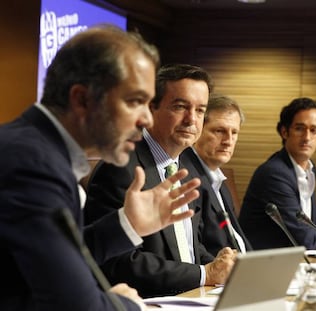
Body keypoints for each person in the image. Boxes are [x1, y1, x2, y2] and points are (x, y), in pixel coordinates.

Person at [0, 26, 203, 311]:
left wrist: (127, 224)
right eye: (135, 101)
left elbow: (59, 256)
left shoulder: (37, 150)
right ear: (82, 99)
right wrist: (130, 306)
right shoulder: (32, 164)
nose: (146, 119)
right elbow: (72, 305)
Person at [84, 64, 236, 298]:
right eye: (180, 106)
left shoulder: (186, 168)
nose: (191, 119)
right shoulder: (122, 167)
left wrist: (221, 268)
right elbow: (121, 262)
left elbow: (190, 248)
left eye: (200, 110)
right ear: (151, 108)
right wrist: (204, 274)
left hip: (191, 298)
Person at [239, 97, 316, 250]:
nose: (307, 137)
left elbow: (313, 219)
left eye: (314, 130)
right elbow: (305, 240)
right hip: (267, 263)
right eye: (299, 128)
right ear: (284, 132)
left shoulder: (309, 169)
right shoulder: (275, 173)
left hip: (292, 260)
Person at [182, 94, 252, 256]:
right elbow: (192, 247)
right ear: (198, 129)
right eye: (219, 131)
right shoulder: (186, 176)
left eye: (234, 133)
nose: (228, 140)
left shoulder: (220, 181)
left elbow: (234, 237)